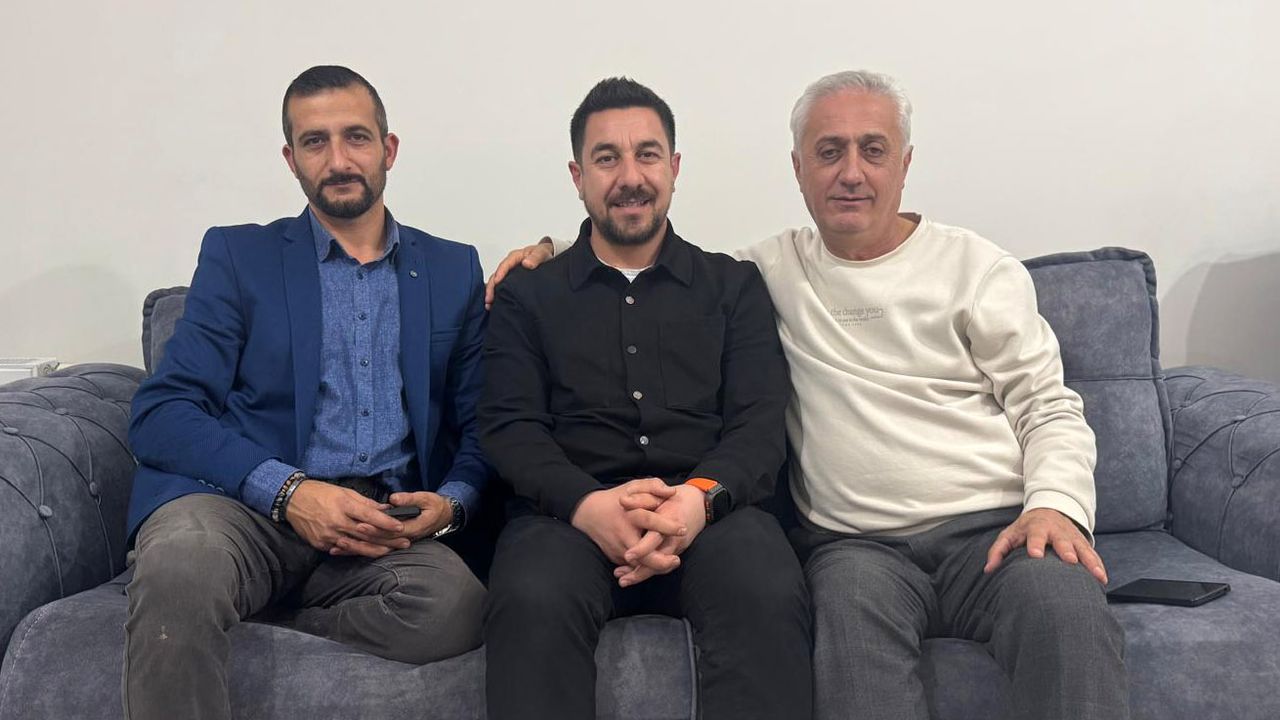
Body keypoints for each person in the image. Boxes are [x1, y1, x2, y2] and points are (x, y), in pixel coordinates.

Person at [486, 70, 1129, 720]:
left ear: (905, 163)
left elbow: (1047, 405)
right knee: (539, 592)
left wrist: (1055, 507)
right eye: (829, 152)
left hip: (983, 529)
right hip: (853, 551)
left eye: (872, 150)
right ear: (799, 170)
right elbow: (623, 272)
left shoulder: (969, 270)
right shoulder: (770, 268)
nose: (851, 173)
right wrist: (553, 252)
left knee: (1062, 607)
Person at [123, 65, 489, 720]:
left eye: (356, 137)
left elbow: (483, 423)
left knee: (455, 606)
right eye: (315, 142)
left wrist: (451, 503)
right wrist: (290, 492)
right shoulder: (239, 257)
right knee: (180, 567)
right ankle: (220, 597)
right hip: (246, 510)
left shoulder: (451, 268)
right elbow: (162, 412)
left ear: (389, 149)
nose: (339, 160)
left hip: (379, 527)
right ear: (291, 159)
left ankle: (257, 620)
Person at [480, 77, 813, 720]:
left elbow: (759, 424)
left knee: (766, 586)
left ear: (675, 168)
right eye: (607, 158)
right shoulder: (528, 295)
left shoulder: (734, 286)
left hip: (710, 513)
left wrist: (696, 501)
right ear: (578, 176)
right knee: (530, 596)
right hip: (567, 518)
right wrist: (588, 506)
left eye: (648, 155)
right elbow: (509, 427)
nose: (630, 177)